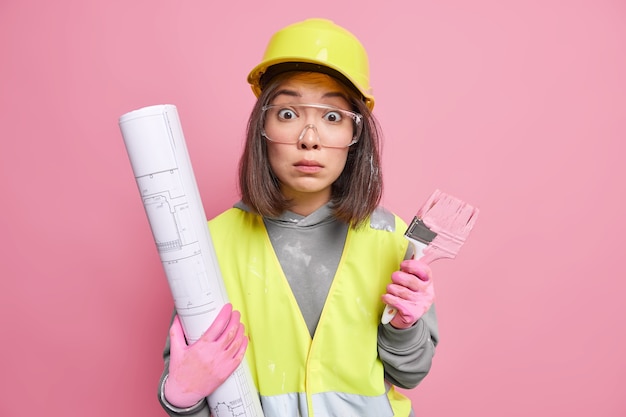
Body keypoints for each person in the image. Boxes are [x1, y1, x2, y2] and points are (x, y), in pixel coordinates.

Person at [157, 18, 438, 417]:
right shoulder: (211, 243)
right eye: (288, 114)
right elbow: (191, 382)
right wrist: (180, 395)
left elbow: (410, 373)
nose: (310, 137)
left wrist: (405, 326)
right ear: (262, 129)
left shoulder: (390, 236)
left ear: (356, 136)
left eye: (333, 117)